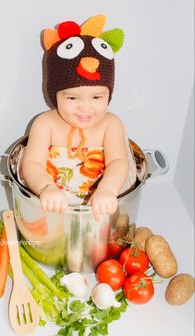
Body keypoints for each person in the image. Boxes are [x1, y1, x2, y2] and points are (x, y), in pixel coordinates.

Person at [21, 14, 136, 221]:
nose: (85, 107)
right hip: (51, 208)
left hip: (100, 208)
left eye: (97, 97)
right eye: (72, 97)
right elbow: (31, 164)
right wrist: (45, 187)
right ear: (54, 94)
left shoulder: (111, 124)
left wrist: (107, 190)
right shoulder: (45, 124)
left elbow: (119, 161)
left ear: (109, 94)